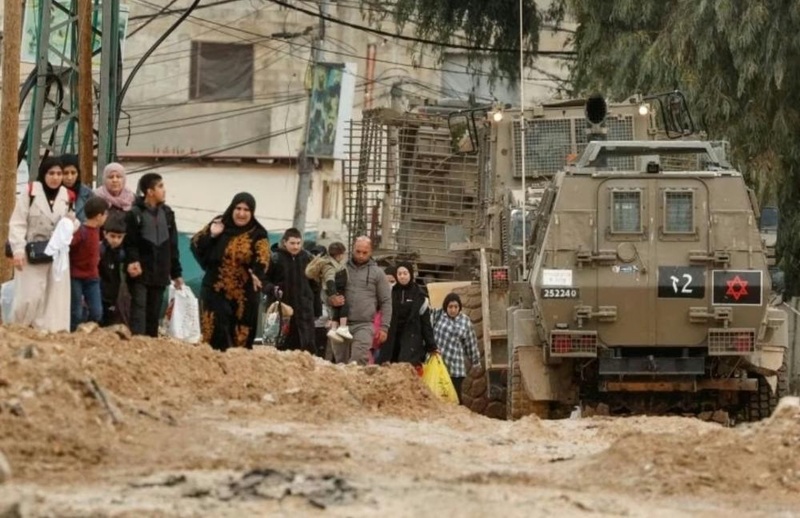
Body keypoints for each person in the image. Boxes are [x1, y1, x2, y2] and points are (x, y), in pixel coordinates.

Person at [191, 192, 270, 351]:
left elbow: (263, 257)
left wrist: (257, 272)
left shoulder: (258, 233)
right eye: (238, 208)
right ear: (232, 208)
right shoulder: (219, 223)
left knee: (240, 340)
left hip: (243, 295)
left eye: (246, 210)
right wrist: (212, 235)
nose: (241, 213)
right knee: (216, 333)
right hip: (215, 290)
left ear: (252, 212)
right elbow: (196, 244)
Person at [7, 157, 79, 332]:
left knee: (54, 299)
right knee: (28, 297)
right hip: (32, 252)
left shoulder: (67, 196)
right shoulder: (31, 192)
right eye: (51, 173)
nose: (55, 177)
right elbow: (18, 222)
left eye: (59, 174)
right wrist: (18, 250)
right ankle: (18, 330)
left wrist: (68, 228)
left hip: (57, 255)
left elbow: (72, 220)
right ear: (43, 174)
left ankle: (52, 333)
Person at [125, 173, 183, 337]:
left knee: (153, 316)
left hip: (160, 275)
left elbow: (173, 245)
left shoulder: (168, 214)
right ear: (150, 191)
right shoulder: (134, 214)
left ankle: (151, 348)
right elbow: (130, 243)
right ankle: (137, 347)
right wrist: (133, 261)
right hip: (140, 275)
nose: (164, 190)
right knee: (139, 314)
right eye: (160, 186)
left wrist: (176, 273)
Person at [329, 236, 392, 365]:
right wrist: (331, 300)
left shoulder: (377, 273)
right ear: (352, 249)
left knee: (359, 360)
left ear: (370, 252)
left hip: (364, 325)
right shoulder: (340, 268)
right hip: (340, 323)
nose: (361, 255)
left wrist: (384, 327)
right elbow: (326, 290)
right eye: (358, 251)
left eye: (365, 252)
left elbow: (386, 301)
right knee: (341, 363)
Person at [265, 228, 318, 354]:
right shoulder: (275, 258)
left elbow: (315, 285)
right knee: (283, 348)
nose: (296, 247)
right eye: (292, 243)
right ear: (285, 242)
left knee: (307, 348)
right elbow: (264, 281)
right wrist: (272, 289)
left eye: (298, 243)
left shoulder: (307, 258)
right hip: (283, 312)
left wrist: (317, 309)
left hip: (304, 312)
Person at [376, 263, 437, 368]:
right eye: (399, 274)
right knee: (387, 369)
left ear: (411, 274)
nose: (402, 276)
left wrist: (432, 346)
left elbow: (426, 324)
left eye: (405, 273)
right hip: (392, 340)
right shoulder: (390, 293)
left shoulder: (420, 295)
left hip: (411, 340)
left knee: (406, 370)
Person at [432, 292, 480, 405]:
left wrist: (476, 361)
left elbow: (471, 342)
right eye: (450, 307)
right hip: (439, 364)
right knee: (438, 394)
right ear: (445, 307)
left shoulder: (465, 321)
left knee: (456, 396)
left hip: (456, 367)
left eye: (456, 307)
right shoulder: (437, 315)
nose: (453, 310)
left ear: (459, 307)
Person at [69, 196, 109, 331]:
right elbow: (69, 246)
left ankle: (88, 332)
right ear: (99, 216)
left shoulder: (97, 231)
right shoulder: (81, 232)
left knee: (97, 312)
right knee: (76, 312)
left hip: (92, 277)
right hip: (76, 277)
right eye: (105, 214)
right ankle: (73, 334)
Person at [305, 241, 352, 343]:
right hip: (334, 291)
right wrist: (333, 295)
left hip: (335, 291)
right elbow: (330, 281)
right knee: (344, 305)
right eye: (343, 253)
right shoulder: (330, 265)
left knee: (337, 309)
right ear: (339, 254)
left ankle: (334, 329)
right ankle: (343, 327)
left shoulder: (335, 264)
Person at [99, 212, 128, 326]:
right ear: (105, 233)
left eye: (119, 237)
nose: (115, 240)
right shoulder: (100, 251)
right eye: (112, 236)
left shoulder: (123, 254)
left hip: (115, 295)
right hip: (100, 293)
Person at [60, 154, 94, 222]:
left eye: (73, 173)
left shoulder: (88, 194)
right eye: (65, 173)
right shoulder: (52, 193)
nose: (70, 178)